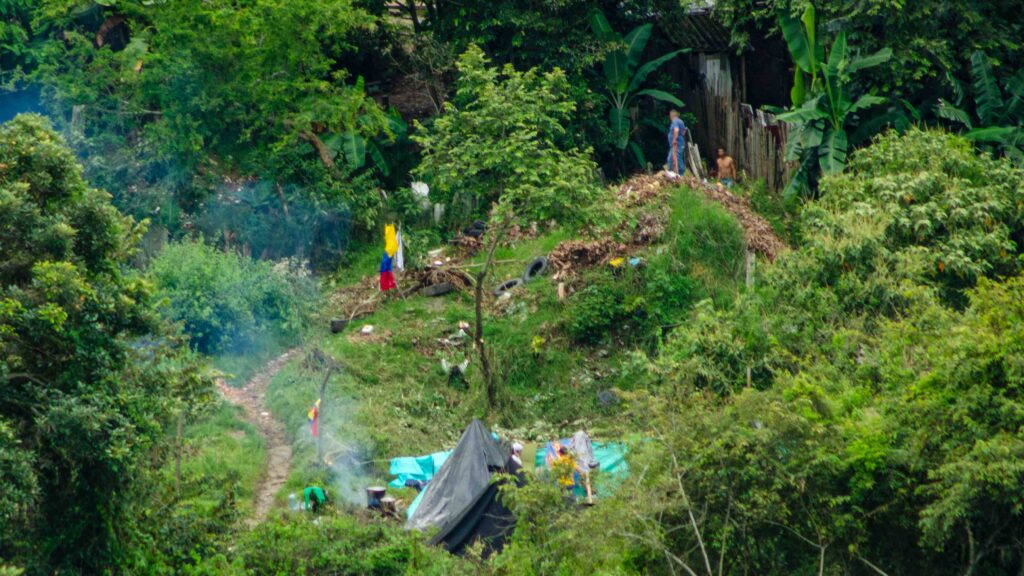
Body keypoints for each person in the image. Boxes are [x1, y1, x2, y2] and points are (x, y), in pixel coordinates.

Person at [666, 110, 687, 175]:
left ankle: (679, 174)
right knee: (672, 158)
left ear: (672, 115)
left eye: (670, 116)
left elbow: (676, 130)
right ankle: (674, 173)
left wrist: (674, 139)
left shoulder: (675, 121)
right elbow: (683, 133)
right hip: (680, 144)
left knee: (675, 158)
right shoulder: (681, 121)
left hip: (677, 144)